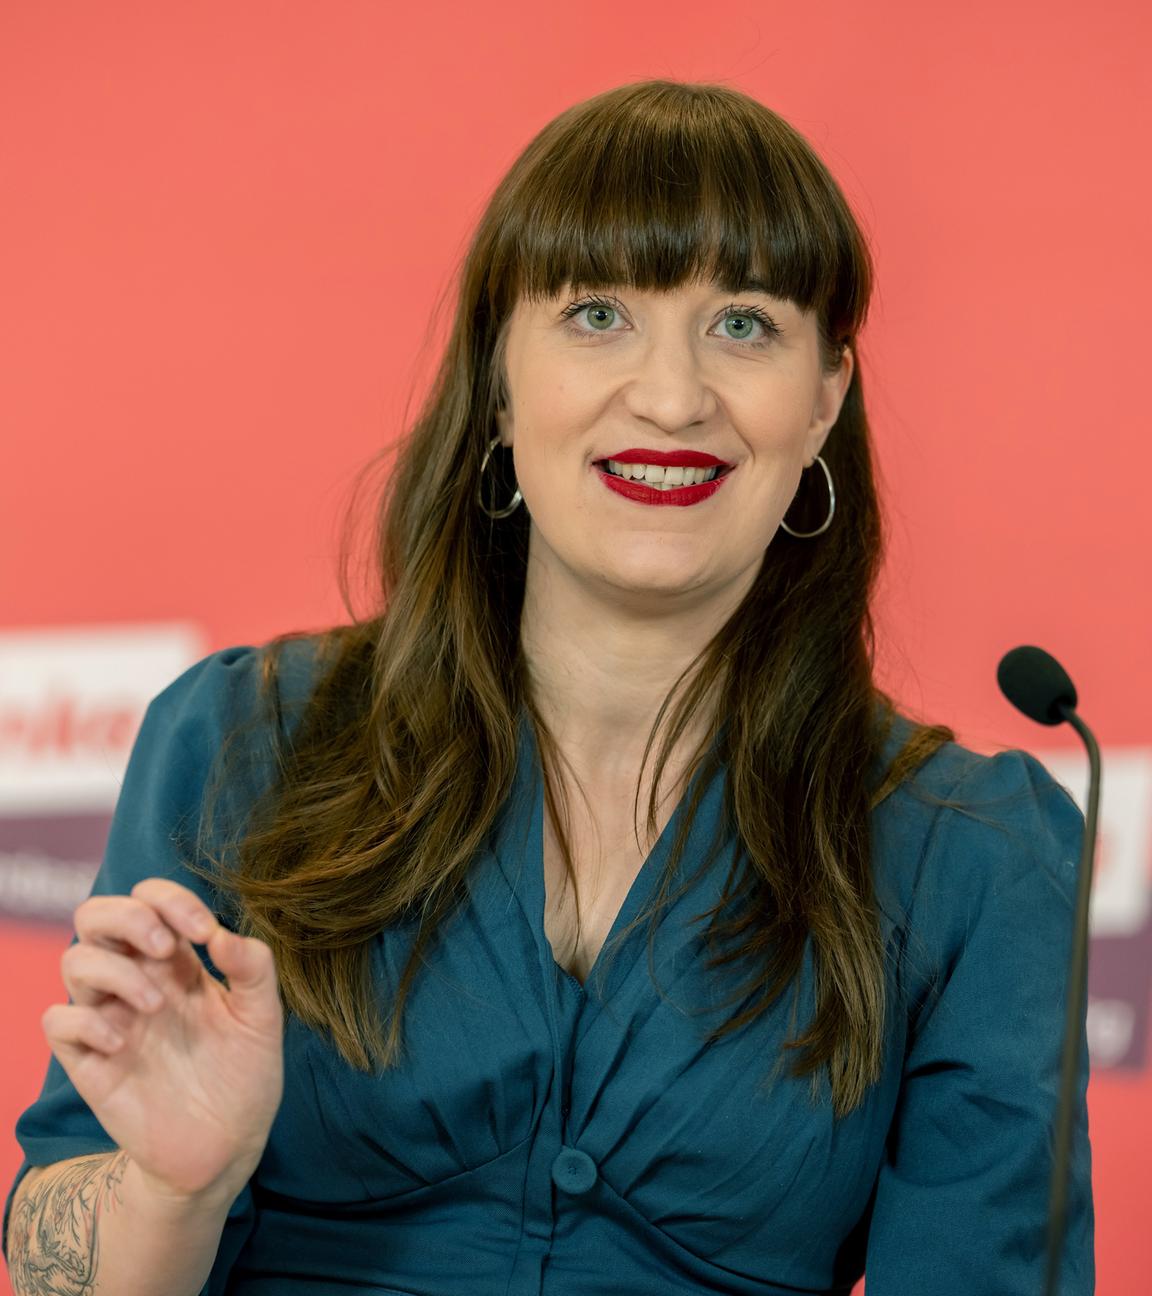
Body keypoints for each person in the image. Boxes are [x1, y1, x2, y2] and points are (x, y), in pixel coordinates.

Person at [3, 78, 1093, 1296]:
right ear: (501, 384)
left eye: (743, 324)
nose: (674, 397)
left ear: (824, 401)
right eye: (598, 315)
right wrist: (171, 1192)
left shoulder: (977, 853)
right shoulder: (244, 740)